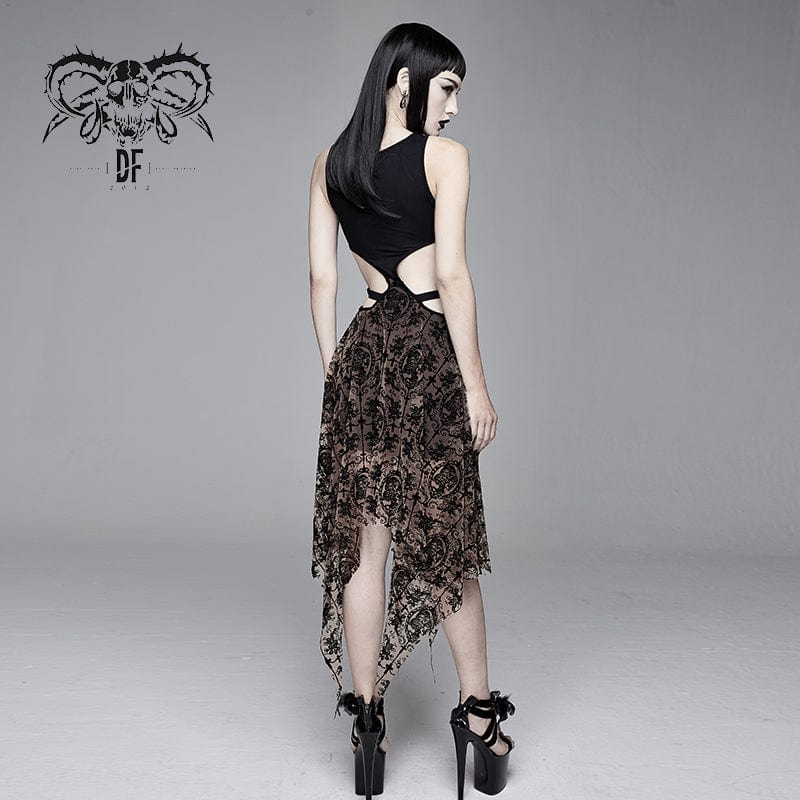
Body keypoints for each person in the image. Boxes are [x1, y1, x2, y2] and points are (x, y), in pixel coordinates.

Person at [308, 22, 516, 800]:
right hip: (428, 356)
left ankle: (367, 722)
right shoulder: (444, 159)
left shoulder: (330, 162)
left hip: (362, 356)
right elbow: (452, 277)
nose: (455, 107)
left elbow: (321, 280)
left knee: (366, 544)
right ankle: (481, 720)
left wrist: (336, 371)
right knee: (447, 543)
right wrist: (477, 386)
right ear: (405, 80)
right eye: (448, 88)